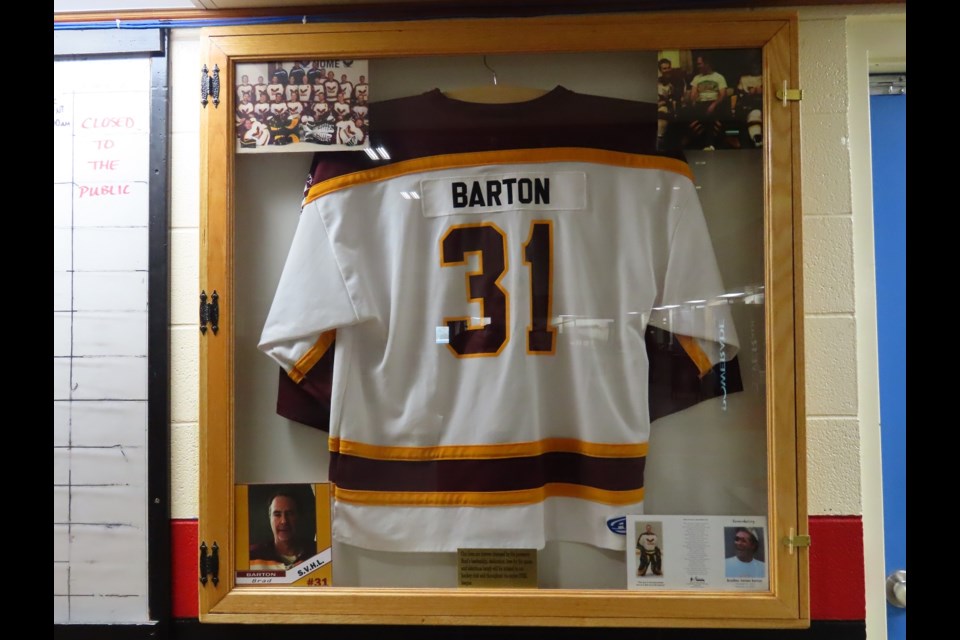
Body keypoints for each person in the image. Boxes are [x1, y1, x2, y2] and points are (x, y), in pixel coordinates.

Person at [249, 491, 311, 570]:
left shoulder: (319, 553)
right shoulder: (252, 556)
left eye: (289, 514)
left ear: (298, 517)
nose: (284, 521)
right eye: (277, 514)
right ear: (270, 519)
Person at [684, 52, 729, 149]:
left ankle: (709, 144)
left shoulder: (718, 77)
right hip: (701, 103)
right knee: (687, 113)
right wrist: (693, 100)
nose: (698, 66)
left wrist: (714, 104)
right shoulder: (697, 78)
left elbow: (723, 95)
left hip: (714, 102)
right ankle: (694, 144)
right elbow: (693, 94)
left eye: (700, 64)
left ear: (707, 64)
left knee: (710, 113)